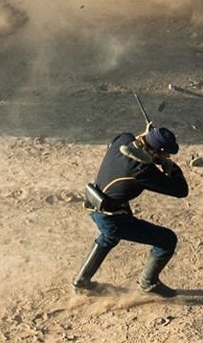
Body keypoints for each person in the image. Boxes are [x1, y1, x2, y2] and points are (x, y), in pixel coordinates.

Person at [72, 125, 188, 297]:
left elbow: (123, 140)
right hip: (112, 219)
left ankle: (81, 281)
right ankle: (148, 282)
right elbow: (180, 190)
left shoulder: (124, 139)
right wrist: (169, 167)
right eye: (165, 153)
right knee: (167, 240)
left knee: (109, 237)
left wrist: (144, 137)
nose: (168, 156)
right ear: (156, 151)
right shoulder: (142, 170)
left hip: (95, 205)